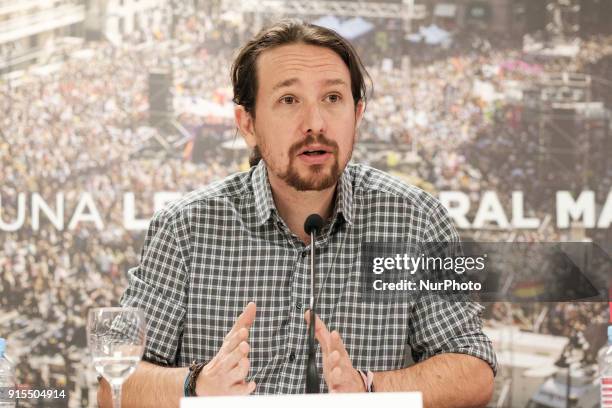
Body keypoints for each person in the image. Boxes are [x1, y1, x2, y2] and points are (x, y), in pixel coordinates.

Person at [98, 19, 496, 408]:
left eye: (333, 98)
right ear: (247, 123)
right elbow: (113, 387)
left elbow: (473, 369)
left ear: (357, 114)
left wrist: (370, 389)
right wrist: (196, 385)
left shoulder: (416, 219)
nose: (316, 123)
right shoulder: (184, 228)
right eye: (289, 100)